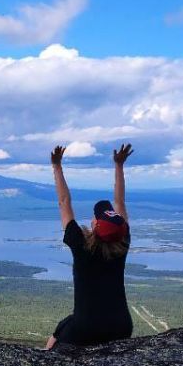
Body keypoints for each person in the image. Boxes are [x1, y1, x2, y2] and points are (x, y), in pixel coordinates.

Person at [44, 142, 135, 350]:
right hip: (121, 326)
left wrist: (56, 166)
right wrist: (119, 166)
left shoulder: (80, 244)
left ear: (94, 226)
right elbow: (120, 202)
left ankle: (43, 362)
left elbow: (64, 202)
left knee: (57, 336)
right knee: (66, 322)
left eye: (96, 219)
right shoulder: (123, 243)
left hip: (85, 327)